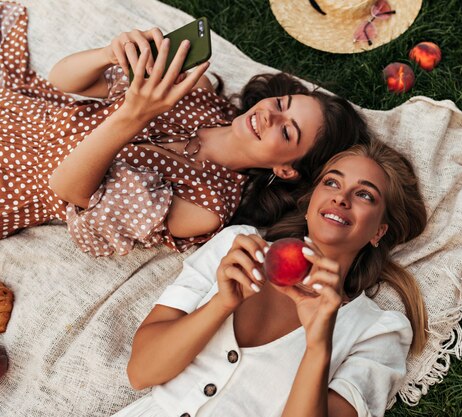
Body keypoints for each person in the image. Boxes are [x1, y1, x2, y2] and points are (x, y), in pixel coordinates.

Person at [0, 14, 369, 257]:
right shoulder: (200, 91)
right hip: (24, 114)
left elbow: (67, 187)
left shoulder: (206, 208)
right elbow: (62, 80)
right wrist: (109, 53)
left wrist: (134, 114)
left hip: (14, 182)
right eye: (283, 102)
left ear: (287, 169)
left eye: (287, 131)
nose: (269, 114)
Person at [115, 141, 429, 417]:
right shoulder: (237, 248)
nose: (342, 198)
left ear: (378, 231)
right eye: (332, 183)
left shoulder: (378, 331)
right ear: (309, 206)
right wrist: (221, 304)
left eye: (365, 195)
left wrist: (319, 344)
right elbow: (141, 372)